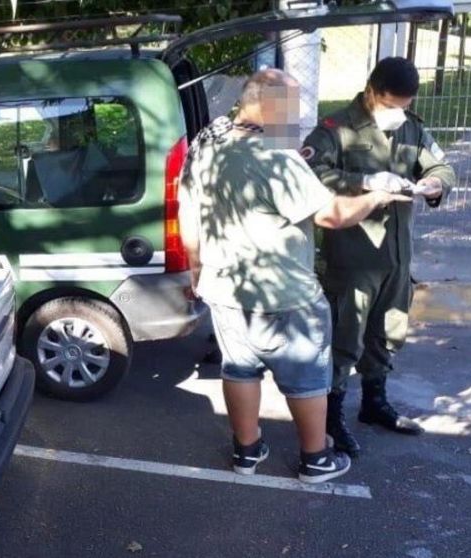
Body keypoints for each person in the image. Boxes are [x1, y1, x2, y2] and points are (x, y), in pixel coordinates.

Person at [180, 69, 411, 483]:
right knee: (306, 377)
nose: (299, 113)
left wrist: (196, 270)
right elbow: (332, 215)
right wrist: (379, 194)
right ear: (269, 104)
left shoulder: (206, 146)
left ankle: (246, 452)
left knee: (240, 368)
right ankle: (316, 458)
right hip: (284, 292)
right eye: (293, 105)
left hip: (224, 286)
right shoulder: (275, 156)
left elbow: (188, 216)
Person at [301, 57, 456, 457]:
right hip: (352, 257)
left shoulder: (411, 125)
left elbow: (440, 163)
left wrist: (435, 182)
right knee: (344, 338)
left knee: (387, 331)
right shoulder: (336, 128)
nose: (398, 112)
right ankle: (332, 416)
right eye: (392, 103)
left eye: (404, 104)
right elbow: (311, 172)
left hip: (397, 256)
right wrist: (364, 181)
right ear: (372, 91)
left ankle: (374, 403)